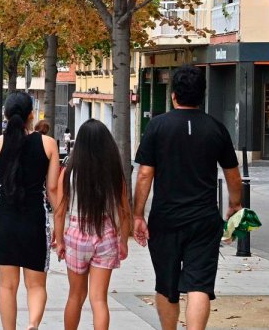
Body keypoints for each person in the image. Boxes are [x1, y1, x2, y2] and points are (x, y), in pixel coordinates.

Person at [133, 65, 241, 330]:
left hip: (165, 219)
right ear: (202, 95)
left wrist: (137, 214)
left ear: (173, 96)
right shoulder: (216, 128)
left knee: (166, 285)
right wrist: (234, 205)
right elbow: (232, 173)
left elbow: (145, 174)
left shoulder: (157, 126)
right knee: (199, 286)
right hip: (204, 220)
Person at [0, 92, 60, 330]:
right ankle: (32, 324)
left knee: (7, 287)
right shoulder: (48, 144)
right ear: (31, 115)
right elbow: (53, 190)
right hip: (34, 221)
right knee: (37, 285)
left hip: (5, 221)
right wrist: (60, 229)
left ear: (5, 115)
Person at [53, 119, 131, 330]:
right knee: (99, 299)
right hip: (106, 234)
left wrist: (59, 241)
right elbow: (124, 213)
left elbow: (60, 212)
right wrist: (123, 241)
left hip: (76, 234)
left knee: (75, 296)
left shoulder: (68, 173)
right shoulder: (115, 174)